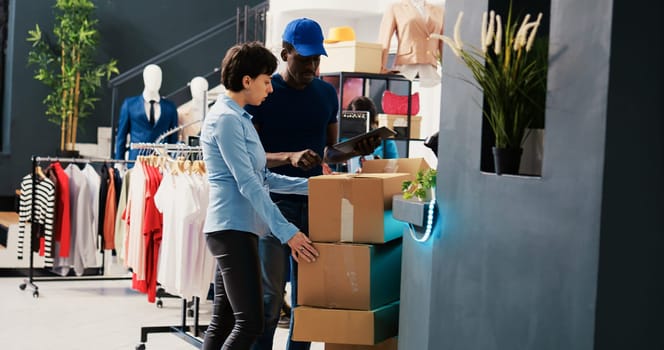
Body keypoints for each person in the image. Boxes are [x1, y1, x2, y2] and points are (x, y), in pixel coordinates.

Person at [245, 18, 380, 350]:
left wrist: (357, 148)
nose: (312, 66)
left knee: (309, 299)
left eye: (317, 59)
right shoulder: (265, 94)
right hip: (273, 205)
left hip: (317, 203)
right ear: (285, 53)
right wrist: (290, 156)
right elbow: (251, 158)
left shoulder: (326, 94)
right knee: (270, 298)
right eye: (304, 58)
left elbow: (329, 154)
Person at [199, 41, 319, 350]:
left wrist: (317, 187)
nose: (271, 88)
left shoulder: (240, 119)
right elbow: (248, 185)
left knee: (225, 320)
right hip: (231, 229)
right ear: (247, 80)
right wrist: (288, 233)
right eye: (266, 81)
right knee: (251, 322)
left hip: (239, 229)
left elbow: (263, 177)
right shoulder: (225, 120)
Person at [114, 64, 179, 162]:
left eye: (158, 78)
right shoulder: (130, 105)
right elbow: (121, 136)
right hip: (136, 161)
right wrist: (119, 162)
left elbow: (173, 139)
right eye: (151, 77)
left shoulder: (170, 107)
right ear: (144, 79)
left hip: (161, 163)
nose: (155, 81)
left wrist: (172, 160)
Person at [378, 0, 445, 87]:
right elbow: (384, 39)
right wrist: (381, 67)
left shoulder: (439, 11)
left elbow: (443, 42)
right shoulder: (396, 8)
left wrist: (447, 70)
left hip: (430, 67)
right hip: (407, 64)